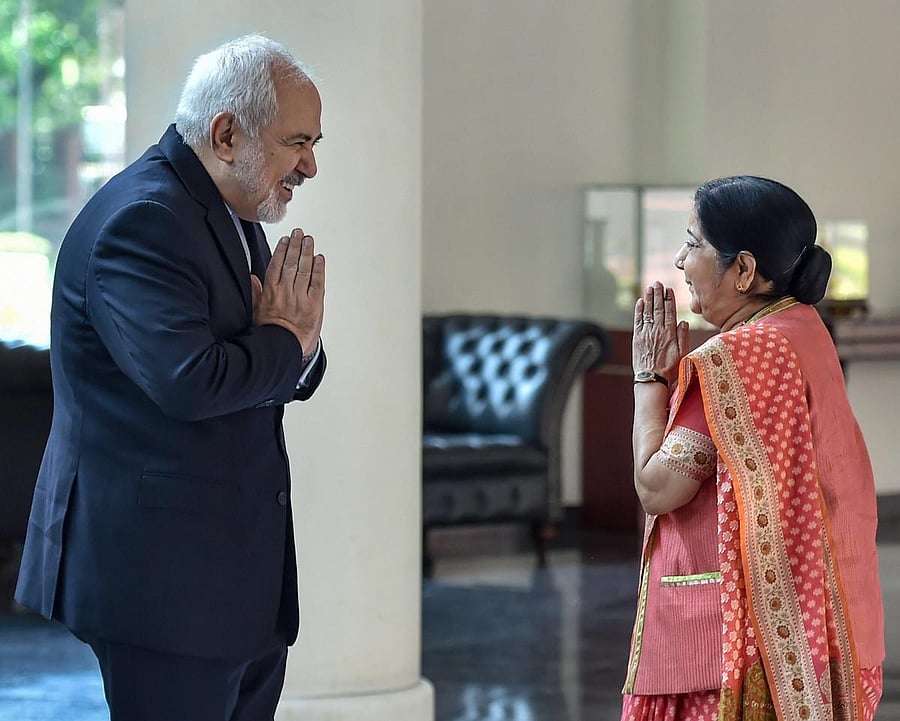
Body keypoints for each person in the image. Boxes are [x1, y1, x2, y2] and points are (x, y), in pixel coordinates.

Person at [15, 34, 327, 721]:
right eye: (297, 141)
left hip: (227, 581)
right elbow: (191, 381)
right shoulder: (145, 221)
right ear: (225, 134)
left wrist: (293, 343)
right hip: (160, 582)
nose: (308, 164)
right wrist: (285, 339)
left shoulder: (230, 208)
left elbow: (280, 343)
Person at [621, 176, 884, 721]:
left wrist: (650, 380)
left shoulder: (736, 359)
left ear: (742, 269)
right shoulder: (804, 331)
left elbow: (657, 487)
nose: (678, 259)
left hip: (735, 651)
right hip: (833, 625)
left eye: (693, 244)